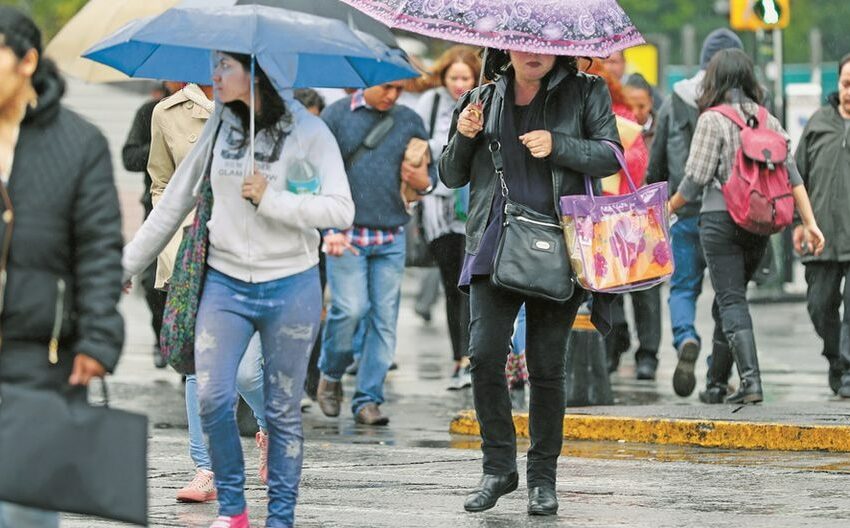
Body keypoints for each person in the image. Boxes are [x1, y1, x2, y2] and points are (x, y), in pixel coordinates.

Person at [122, 52, 354, 528]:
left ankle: (281, 518)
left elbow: (340, 209)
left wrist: (275, 201)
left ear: (258, 71)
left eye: (225, 66)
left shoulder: (310, 131)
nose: (214, 75)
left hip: (290, 283)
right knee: (210, 395)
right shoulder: (218, 130)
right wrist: (123, 265)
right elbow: (170, 206)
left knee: (283, 410)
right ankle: (233, 510)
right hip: (223, 283)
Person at [441, 48, 621, 515]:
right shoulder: (480, 97)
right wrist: (464, 136)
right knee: (482, 358)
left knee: (545, 368)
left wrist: (559, 144)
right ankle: (497, 466)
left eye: (545, 44)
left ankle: (543, 479)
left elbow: (610, 156)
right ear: (504, 45)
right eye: (523, 43)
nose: (534, 53)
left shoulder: (586, 90)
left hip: (558, 247)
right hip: (494, 245)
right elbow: (451, 173)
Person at [0, 8, 124, 527]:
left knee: (24, 504)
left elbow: (98, 247)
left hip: (40, 351)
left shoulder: (79, 143)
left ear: (27, 60)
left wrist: (97, 337)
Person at [668, 49, 825, 405]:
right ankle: (715, 384)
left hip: (720, 221)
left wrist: (666, 209)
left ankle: (751, 381)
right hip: (759, 224)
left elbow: (694, 181)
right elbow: (793, 175)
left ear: (714, 80)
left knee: (730, 299)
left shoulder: (712, 120)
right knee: (728, 300)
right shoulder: (768, 120)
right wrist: (810, 222)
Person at [147, 82, 269, 502]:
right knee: (198, 364)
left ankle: (270, 421)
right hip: (192, 254)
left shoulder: (265, 108)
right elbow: (160, 184)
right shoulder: (168, 112)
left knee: (246, 370)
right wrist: (171, 243)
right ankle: (206, 468)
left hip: (252, 251)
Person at [316, 81, 436, 426]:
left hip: (391, 235)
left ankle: (368, 399)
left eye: (399, 89)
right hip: (346, 233)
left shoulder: (409, 119)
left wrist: (423, 180)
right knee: (350, 309)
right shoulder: (336, 116)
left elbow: (431, 174)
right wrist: (329, 229)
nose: (393, 96)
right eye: (386, 88)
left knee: (383, 321)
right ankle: (332, 372)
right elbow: (317, 174)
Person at [646, 28, 745, 399]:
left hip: (684, 210)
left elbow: (656, 162)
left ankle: (686, 337)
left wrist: (652, 201)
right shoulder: (744, 104)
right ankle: (719, 371)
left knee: (683, 287)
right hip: (730, 215)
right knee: (728, 295)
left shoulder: (676, 99)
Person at [588, 60, 661, 380]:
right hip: (603, 215)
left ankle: (646, 354)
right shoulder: (594, 117)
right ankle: (615, 346)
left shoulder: (625, 121)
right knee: (607, 286)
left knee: (642, 286)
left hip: (632, 213)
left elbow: (636, 164)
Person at [414, 45, 480, 390]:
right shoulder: (433, 102)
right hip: (439, 204)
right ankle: (460, 358)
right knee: (452, 284)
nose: (458, 84)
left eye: (465, 78)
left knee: (474, 284)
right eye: (453, 77)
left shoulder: (485, 100)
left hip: (475, 205)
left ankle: (475, 358)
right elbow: (418, 145)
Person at [794, 53, 850, 398]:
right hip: (822, 237)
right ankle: (835, 358)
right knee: (819, 305)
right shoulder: (818, 123)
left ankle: (847, 368)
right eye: (846, 84)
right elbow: (796, 177)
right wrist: (797, 225)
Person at [122, 81, 180, 368]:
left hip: (198, 211)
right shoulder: (151, 111)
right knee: (152, 282)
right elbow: (129, 157)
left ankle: (184, 351)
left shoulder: (207, 112)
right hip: (156, 207)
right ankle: (162, 338)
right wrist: (162, 145)